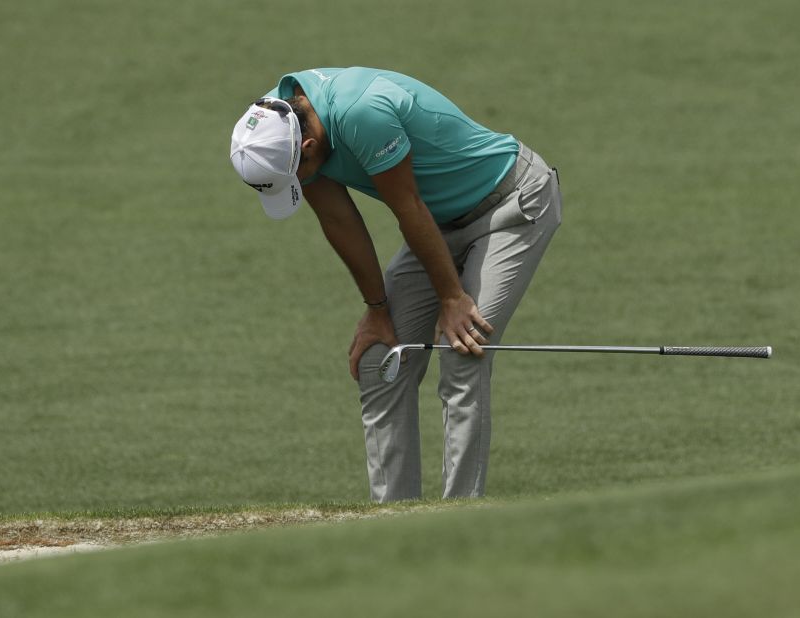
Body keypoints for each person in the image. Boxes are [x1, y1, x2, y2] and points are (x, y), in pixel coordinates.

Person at [230, 67, 562, 502]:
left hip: (512, 206)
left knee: (463, 351)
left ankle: (459, 517)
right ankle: (391, 521)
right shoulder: (278, 125)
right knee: (379, 360)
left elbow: (407, 207)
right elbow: (338, 219)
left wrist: (453, 298)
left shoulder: (362, 113)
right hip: (438, 223)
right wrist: (377, 309)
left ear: (307, 147)